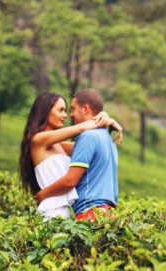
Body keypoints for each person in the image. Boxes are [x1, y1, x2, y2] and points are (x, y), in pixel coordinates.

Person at [19, 92, 122, 220]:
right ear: (45, 111)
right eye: (61, 110)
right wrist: (103, 119)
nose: (66, 115)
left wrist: (105, 118)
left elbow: (92, 146)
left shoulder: (59, 145)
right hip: (52, 209)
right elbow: (82, 129)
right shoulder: (37, 140)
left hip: (65, 211)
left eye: (67, 110)